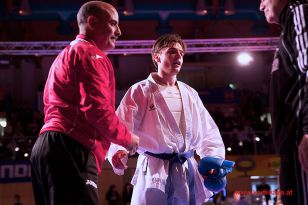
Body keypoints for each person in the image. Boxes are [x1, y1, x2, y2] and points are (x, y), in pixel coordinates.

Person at [30, 1, 139, 205]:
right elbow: (96, 110)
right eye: (114, 24)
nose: (119, 31)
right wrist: (127, 138)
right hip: (71, 148)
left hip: (47, 147)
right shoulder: (91, 54)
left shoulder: (65, 55)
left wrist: (111, 148)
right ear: (92, 22)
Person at [107, 33, 225, 205]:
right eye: (171, 52)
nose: (178, 56)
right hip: (154, 170)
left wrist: (212, 159)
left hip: (186, 168)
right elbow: (121, 125)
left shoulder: (190, 93)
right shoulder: (140, 90)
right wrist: (118, 151)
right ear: (157, 57)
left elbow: (208, 133)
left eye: (181, 53)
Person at [259, 0, 308, 204]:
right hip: (292, 148)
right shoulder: (289, 26)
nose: (261, 6)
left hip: (300, 142)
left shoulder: (299, 12)